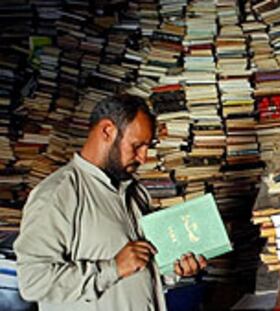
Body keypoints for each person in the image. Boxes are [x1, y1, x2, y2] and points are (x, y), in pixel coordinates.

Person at [13, 95, 207, 311]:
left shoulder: (136, 192)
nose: (143, 158)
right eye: (137, 146)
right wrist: (112, 268)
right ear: (107, 131)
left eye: (147, 146)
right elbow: (33, 282)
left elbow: (139, 273)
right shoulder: (58, 193)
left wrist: (175, 271)